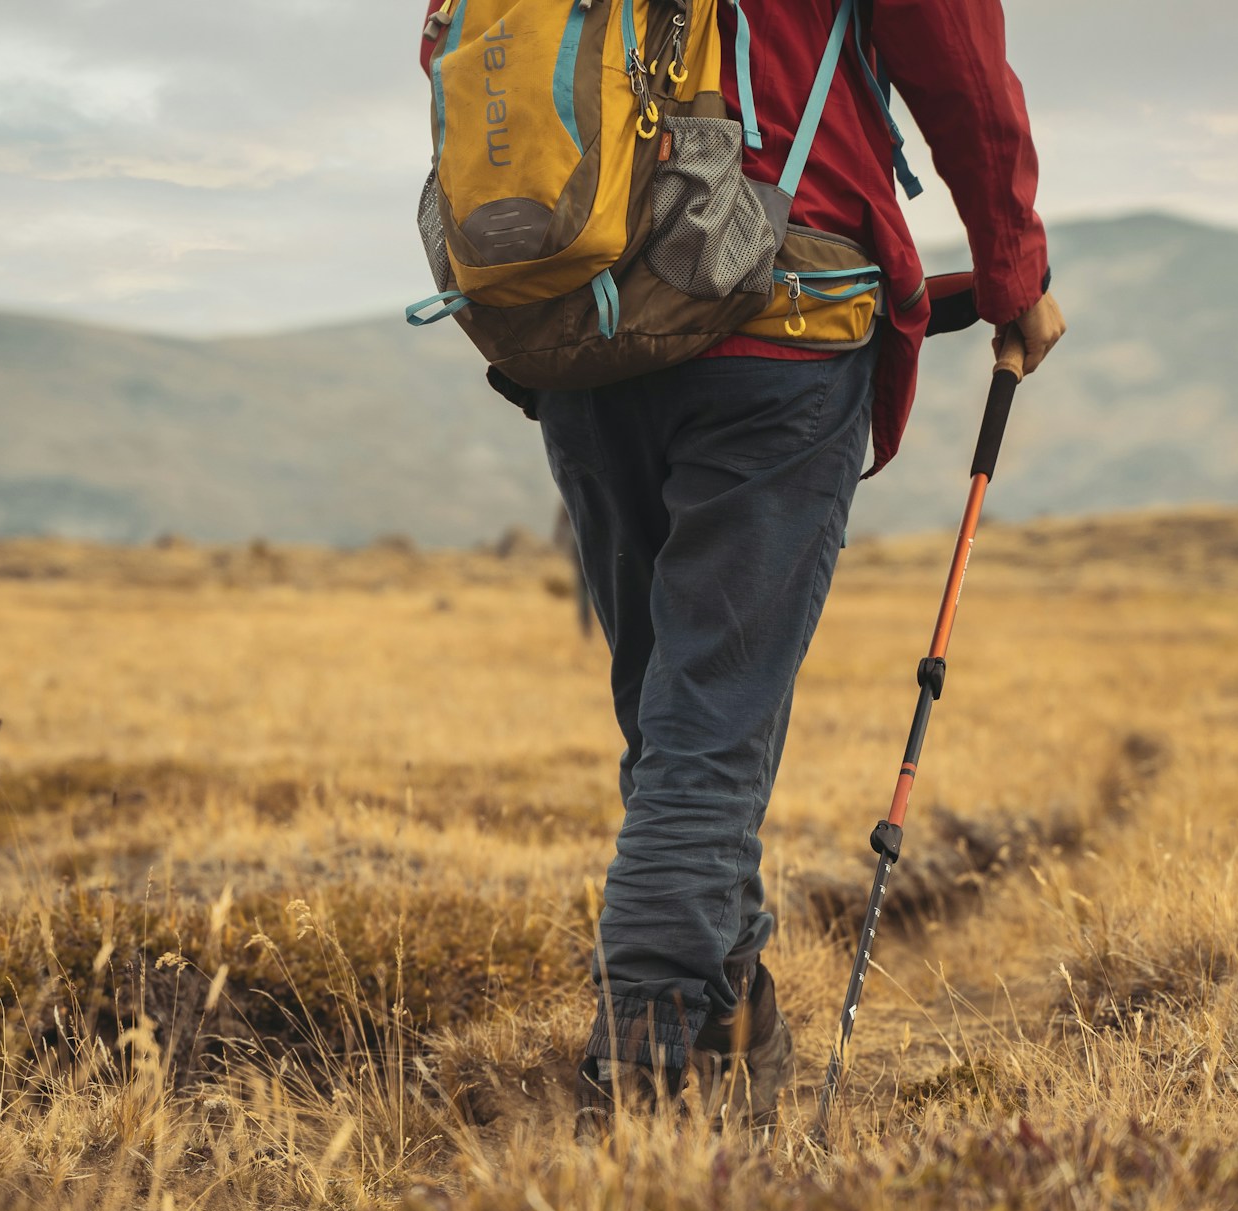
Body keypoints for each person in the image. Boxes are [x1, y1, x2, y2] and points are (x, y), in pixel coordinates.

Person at [426, 0, 1064, 1129]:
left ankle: (731, 1012)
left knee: (672, 714)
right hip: (784, 308)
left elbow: (467, 59)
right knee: (707, 719)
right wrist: (1013, 268)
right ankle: (650, 1061)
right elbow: (953, 56)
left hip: (588, 326)